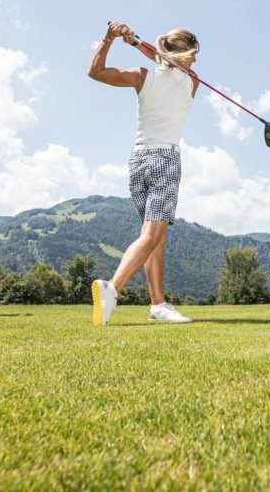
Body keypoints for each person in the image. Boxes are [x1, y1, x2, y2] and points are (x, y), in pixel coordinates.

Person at [87, 21, 200, 325]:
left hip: (138, 161)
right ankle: (113, 288)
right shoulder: (192, 81)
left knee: (155, 237)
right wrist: (136, 43)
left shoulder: (141, 76)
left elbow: (95, 71)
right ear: (188, 55)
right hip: (164, 160)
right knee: (152, 235)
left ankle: (158, 304)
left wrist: (110, 39)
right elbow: (167, 62)